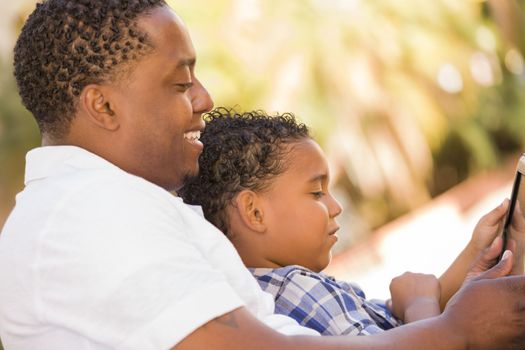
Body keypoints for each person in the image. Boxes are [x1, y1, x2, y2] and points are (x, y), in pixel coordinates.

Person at [1, 0, 525, 349]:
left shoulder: (104, 206)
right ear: (103, 106)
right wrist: (453, 329)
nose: (204, 99)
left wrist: (464, 285)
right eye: (181, 83)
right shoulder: (90, 213)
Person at [178, 108, 525, 335]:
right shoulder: (296, 291)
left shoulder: (271, 292)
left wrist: (475, 253)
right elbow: (421, 339)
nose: (335, 206)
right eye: (316, 194)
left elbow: (395, 326)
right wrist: (420, 302)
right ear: (254, 213)